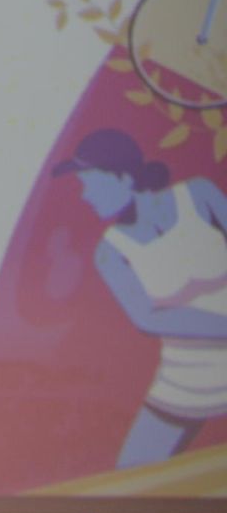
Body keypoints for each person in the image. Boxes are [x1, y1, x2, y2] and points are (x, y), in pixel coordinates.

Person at [53, 128, 227, 467]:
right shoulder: (110, 251)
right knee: (127, 479)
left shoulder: (199, 194)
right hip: (183, 384)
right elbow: (147, 317)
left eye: (90, 183)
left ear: (123, 176)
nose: (85, 196)